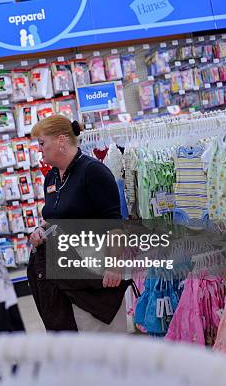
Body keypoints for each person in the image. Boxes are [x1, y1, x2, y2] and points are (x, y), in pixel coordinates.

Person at [28, 115, 132, 332]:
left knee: (102, 339)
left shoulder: (93, 172)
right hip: (65, 277)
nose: (39, 150)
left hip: (95, 274)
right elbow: (53, 217)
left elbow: (114, 223)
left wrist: (114, 266)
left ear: (61, 140)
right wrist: (40, 230)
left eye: (42, 143)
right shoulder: (52, 177)